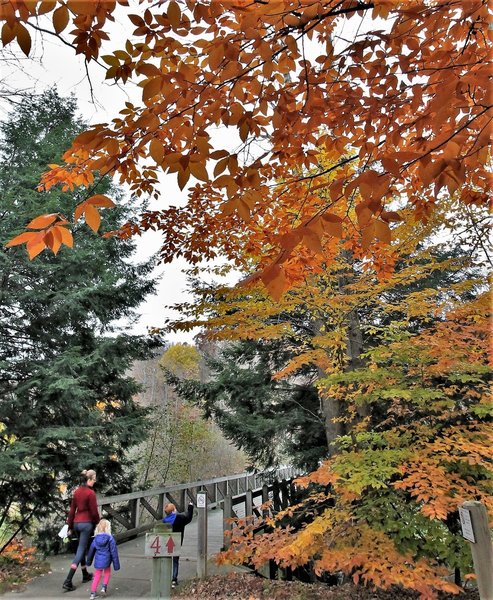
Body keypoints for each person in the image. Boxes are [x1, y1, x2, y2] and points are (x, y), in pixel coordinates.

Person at [62, 469, 100, 592]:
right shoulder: (91, 493)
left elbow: (72, 510)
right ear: (89, 479)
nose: (95, 481)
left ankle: (85, 574)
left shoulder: (77, 492)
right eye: (94, 479)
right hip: (86, 524)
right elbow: (94, 512)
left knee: (81, 547)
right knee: (80, 551)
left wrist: (70, 526)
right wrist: (98, 522)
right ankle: (68, 580)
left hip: (76, 523)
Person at [162, 502, 194, 588]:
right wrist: (190, 507)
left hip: (167, 543)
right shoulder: (180, 518)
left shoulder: (164, 521)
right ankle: (174, 579)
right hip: (177, 541)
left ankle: (165, 578)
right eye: (175, 509)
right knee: (175, 560)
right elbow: (189, 518)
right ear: (173, 511)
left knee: (166, 559)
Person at [86, 519, 120, 599]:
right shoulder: (110, 538)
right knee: (107, 572)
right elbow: (114, 552)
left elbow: (91, 551)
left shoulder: (95, 539)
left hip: (98, 560)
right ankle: (104, 588)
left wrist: (89, 561)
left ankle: (92, 593)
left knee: (97, 575)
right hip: (107, 560)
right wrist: (116, 565)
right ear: (108, 528)